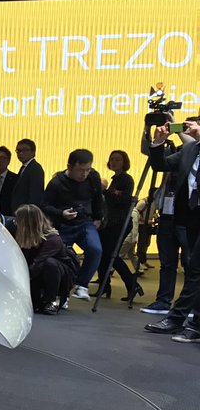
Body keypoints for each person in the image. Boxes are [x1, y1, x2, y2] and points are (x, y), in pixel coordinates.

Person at [144, 119, 200, 343]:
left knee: (195, 269)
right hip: (192, 215)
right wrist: (158, 143)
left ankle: (177, 319)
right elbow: (161, 165)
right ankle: (196, 325)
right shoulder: (190, 149)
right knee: (196, 269)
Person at [43, 149, 106, 301]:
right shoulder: (57, 182)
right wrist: (61, 213)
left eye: (87, 169)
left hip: (85, 221)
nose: (84, 174)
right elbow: (44, 205)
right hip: (63, 225)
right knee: (60, 258)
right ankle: (60, 294)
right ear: (69, 167)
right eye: (80, 170)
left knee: (96, 250)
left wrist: (98, 217)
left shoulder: (93, 177)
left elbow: (97, 198)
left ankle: (82, 285)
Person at [96, 149, 142, 302]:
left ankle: (131, 284)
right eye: (112, 159)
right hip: (111, 223)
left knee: (111, 254)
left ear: (124, 162)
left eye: (118, 159)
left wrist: (106, 192)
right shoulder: (115, 179)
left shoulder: (126, 179)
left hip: (119, 222)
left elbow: (123, 200)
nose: (114, 162)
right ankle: (105, 285)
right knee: (105, 253)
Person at [14, 204, 77, 315]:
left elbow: (38, 263)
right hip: (37, 272)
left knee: (49, 263)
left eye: (18, 220)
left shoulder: (52, 239)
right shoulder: (25, 236)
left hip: (58, 275)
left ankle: (52, 300)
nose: (15, 222)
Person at [11, 138, 45, 210]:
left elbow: (35, 195)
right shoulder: (24, 167)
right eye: (18, 150)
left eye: (25, 150)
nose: (21, 153)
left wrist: (29, 212)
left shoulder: (35, 169)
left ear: (33, 152)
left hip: (27, 212)